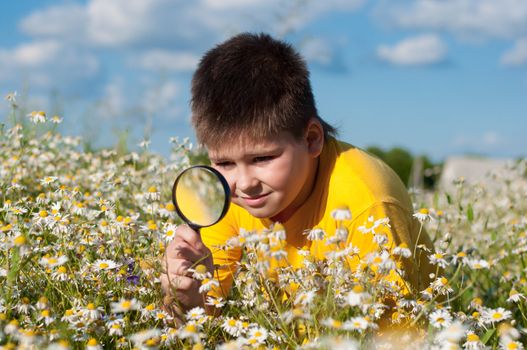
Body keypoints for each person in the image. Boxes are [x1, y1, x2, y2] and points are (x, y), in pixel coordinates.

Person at [160, 32, 434, 315]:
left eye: (263, 158)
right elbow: (199, 320)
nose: (245, 184)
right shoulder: (224, 195)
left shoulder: (367, 204)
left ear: (312, 139)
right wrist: (185, 297)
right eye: (225, 163)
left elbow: (393, 338)